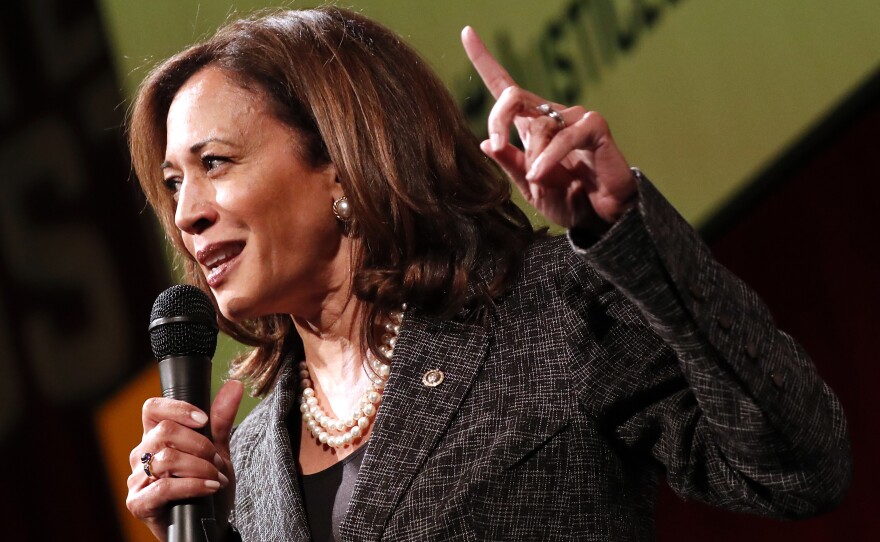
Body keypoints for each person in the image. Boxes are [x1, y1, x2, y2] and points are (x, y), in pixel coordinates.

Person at [125, 6, 851, 541]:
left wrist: (626, 233)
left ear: (340, 161)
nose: (186, 214)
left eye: (213, 164)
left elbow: (796, 466)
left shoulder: (543, 313)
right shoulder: (247, 464)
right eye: (173, 183)